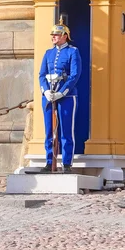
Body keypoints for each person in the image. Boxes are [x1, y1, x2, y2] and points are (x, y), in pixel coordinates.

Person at [38, 17, 81, 173]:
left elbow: (74, 75)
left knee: (66, 131)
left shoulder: (72, 52)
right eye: (52, 35)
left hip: (66, 97)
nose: (53, 37)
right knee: (49, 130)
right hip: (49, 96)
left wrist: (62, 92)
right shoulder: (48, 53)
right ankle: (50, 161)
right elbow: (42, 74)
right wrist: (46, 90)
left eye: (56, 35)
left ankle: (67, 163)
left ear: (64, 36)